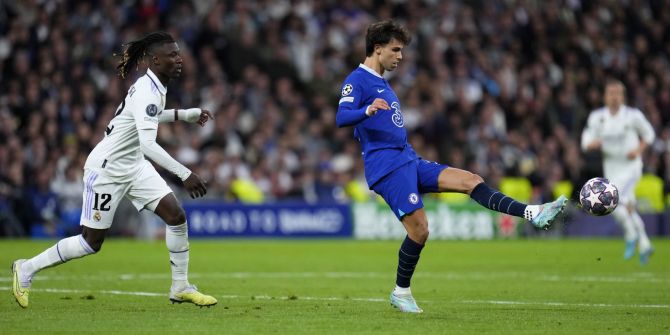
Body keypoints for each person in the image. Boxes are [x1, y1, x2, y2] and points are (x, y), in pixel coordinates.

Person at [335, 20, 567, 314]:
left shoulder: (382, 82)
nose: (400, 56)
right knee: (420, 230)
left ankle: (533, 212)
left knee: (470, 180)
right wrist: (367, 109)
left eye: (402, 50)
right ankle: (401, 292)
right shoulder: (357, 80)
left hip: (408, 158)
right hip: (387, 166)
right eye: (395, 50)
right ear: (377, 49)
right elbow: (341, 117)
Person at [12, 32, 218, 308]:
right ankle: (26, 268)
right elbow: (148, 144)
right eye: (172, 55)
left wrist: (186, 114)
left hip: (133, 165)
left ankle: (180, 286)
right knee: (90, 243)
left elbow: (147, 116)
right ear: (155, 60)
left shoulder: (155, 86)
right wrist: (185, 174)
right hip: (107, 169)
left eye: (179, 54)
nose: (179, 59)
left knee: (176, 216)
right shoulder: (147, 89)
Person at [581, 80, 656, 264]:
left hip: (631, 168)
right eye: (611, 93)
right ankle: (645, 243)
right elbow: (585, 141)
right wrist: (593, 144)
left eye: (617, 94)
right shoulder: (597, 117)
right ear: (605, 96)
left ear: (623, 96)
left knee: (614, 200)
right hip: (612, 169)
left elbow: (649, 134)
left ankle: (631, 235)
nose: (614, 97)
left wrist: (638, 150)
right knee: (624, 205)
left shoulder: (632, 115)